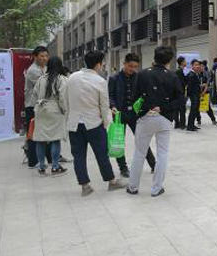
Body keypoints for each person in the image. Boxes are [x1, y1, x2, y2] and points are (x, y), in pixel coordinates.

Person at [66, 51, 127, 197]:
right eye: (102, 63)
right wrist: (106, 123)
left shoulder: (72, 78)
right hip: (93, 123)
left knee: (78, 155)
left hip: (74, 124)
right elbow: (104, 105)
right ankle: (111, 182)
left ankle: (85, 186)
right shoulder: (100, 81)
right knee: (101, 154)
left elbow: (66, 100)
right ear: (98, 64)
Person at [126, 46, 184, 197]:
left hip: (145, 117)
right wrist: (163, 107)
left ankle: (132, 187)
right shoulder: (172, 76)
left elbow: (134, 97)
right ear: (169, 60)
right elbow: (180, 100)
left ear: (154, 58)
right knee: (162, 153)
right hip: (164, 118)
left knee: (139, 153)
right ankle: (157, 188)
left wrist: (140, 111)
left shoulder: (143, 74)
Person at [108, 53, 157, 178]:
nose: (133, 69)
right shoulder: (114, 78)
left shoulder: (139, 77)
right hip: (119, 114)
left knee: (142, 139)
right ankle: (123, 168)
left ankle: (153, 164)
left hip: (135, 115)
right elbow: (110, 95)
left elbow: (144, 94)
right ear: (124, 63)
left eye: (135, 67)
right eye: (130, 66)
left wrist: (147, 107)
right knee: (119, 142)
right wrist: (112, 106)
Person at [31, 56, 68, 176]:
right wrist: (64, 110)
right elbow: (63, 98)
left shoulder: (41, 79)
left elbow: (35, 94)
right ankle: (55, 167)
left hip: (41, 109)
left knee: (40, 139)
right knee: (55, 139)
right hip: (55, 110)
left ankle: (42, 167)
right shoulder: (61, 79)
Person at [24, 46, 50, 168]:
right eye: (42, 56)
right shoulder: (32, 70)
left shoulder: (45, 68)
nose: (45, 58)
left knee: (45, 132)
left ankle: (51, 157)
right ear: (34, 57)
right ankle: (33, 161)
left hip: (41, 105)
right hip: (32, 106)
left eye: (46, 56)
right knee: (33, 133)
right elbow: (44, 85)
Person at [199, 60, 217, 126]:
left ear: (204, 66)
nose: (201, 67)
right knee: (197, 107)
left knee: (207, 107)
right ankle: (198, 119)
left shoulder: (207, 73)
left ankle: (213, 120)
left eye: (202, 66)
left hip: (205, 93)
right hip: (198, 93)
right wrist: (201, 85)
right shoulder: (197, 74)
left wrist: (204, 91)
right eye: (200, 66)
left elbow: (208, 83)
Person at [185, 59, 201, 131]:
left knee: (195, 110)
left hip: (196, 95)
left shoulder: (195, 74)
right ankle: (190, 126)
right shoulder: (191, 75)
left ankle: (192, 125)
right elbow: (190, 87)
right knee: (193, 110)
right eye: (196, 65)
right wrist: (189, 96)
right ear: (192, 66)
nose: (198, 66)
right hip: (193, 95)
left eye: (198, 65)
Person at [174, 57, 188, 129]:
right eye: (185, 61)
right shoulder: (179, 71)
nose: (186, 62)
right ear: (182, 62)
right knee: (182, 109)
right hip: (179, 93)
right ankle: (181, 124)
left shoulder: (180, 71)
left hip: (178, 93)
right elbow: (181, 83)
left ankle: (177, 123)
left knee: (178, 109)